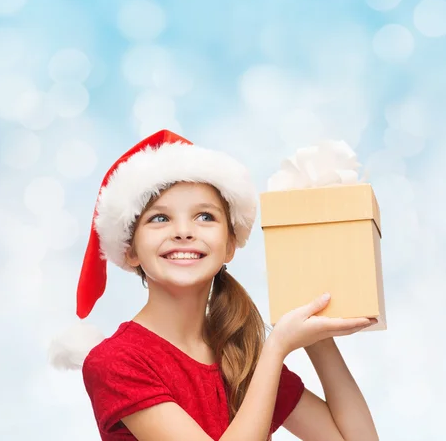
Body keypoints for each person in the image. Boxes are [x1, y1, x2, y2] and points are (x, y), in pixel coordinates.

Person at [49, 130, 379, 441]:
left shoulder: (240, 357)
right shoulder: (116, 362)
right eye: (159, 218)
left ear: (230, 245)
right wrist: (278, 347)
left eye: (205, 216)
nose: (183, 231)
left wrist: (317, 339)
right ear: (130, 249)